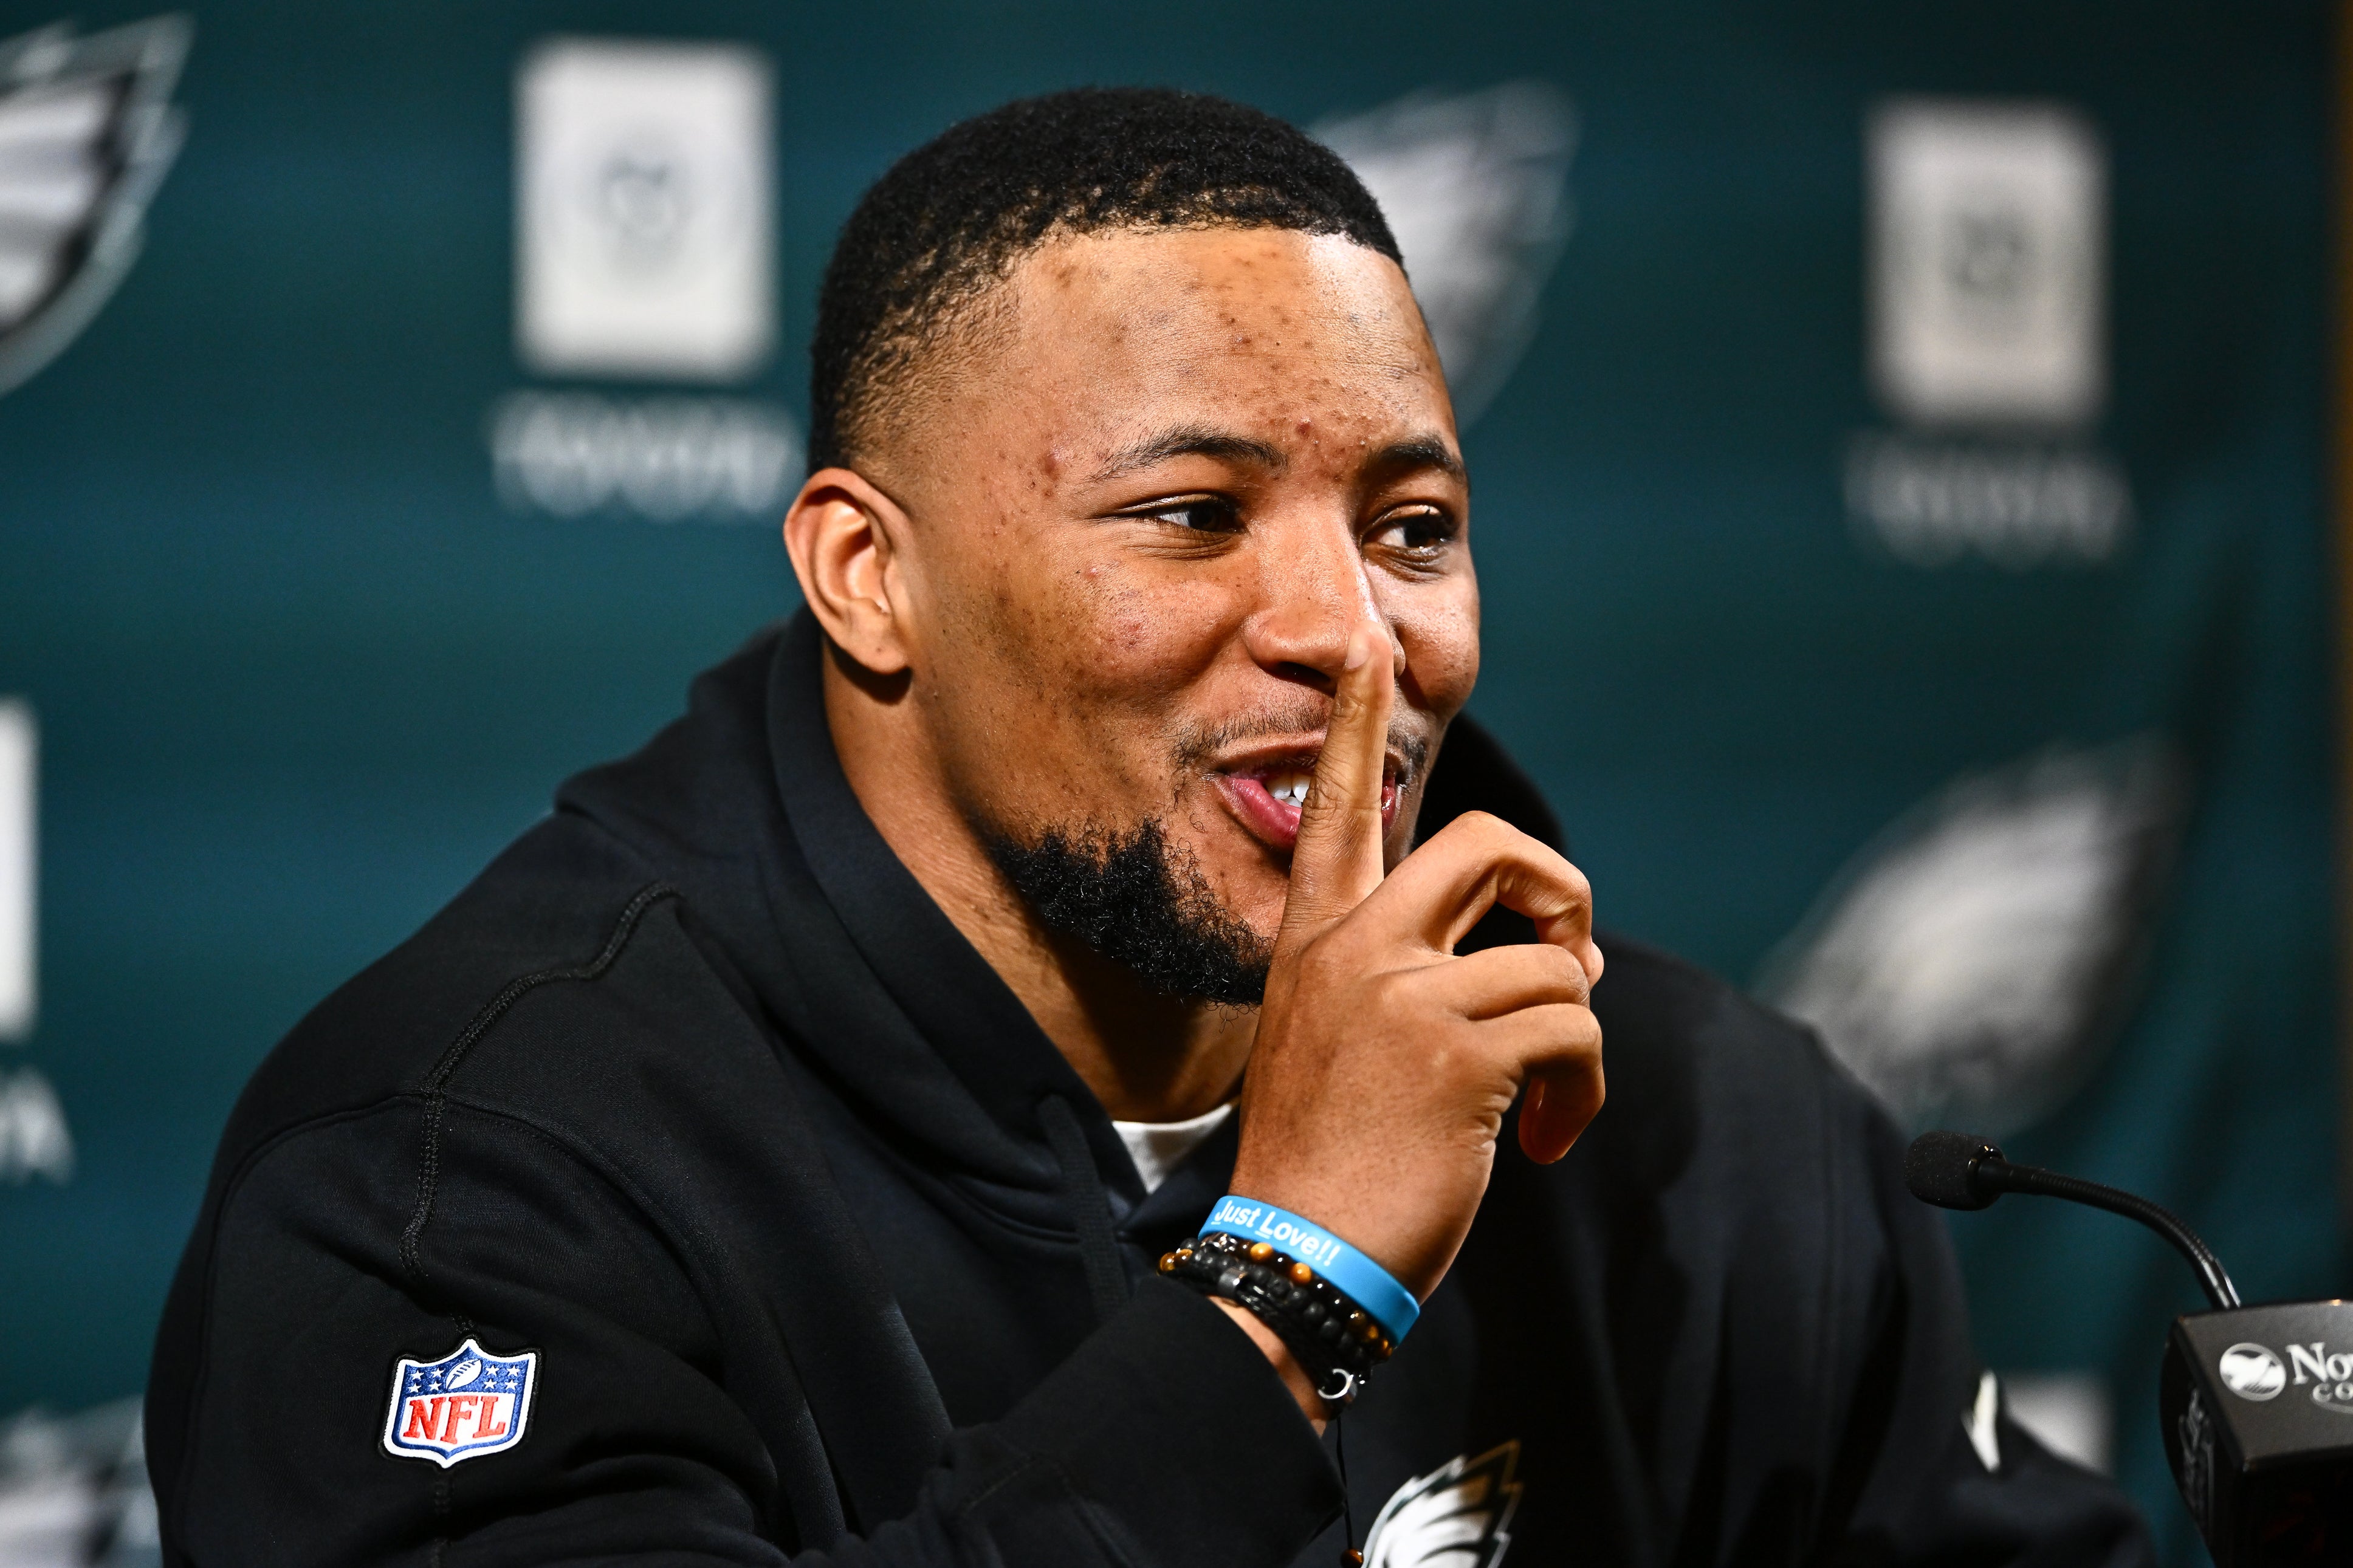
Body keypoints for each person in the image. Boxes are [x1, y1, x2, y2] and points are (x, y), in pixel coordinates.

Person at [146, 88, 2151, 1567]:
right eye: (1191, 516)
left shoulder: (1702, 1128)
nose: (1341, 632)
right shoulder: (464, 1171)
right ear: (870, 581)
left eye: (1413, 529)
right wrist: (1287, 1288)